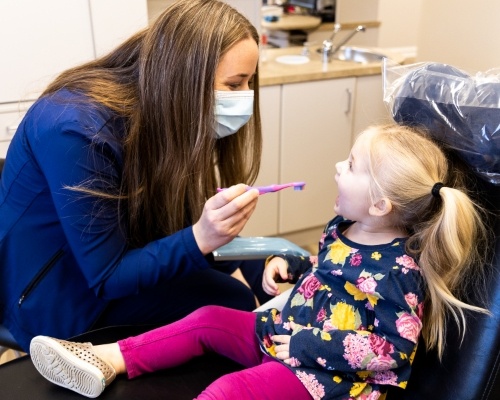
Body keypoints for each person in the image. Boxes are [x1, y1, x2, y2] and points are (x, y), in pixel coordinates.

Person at [30, 123, 490, 399]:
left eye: (350, 166)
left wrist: (310, 346)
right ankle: (103, 360)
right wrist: (294, 274)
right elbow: (333, 280)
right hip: (287, 334)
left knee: (230, 392)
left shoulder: (399, 272)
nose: (336, 167)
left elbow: (394, 350)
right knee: (209, 319)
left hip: (328, 376)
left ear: (379, 205)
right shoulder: (342, 228)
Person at [0, 0, 269, 353]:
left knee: (235, 294)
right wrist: (202, 237)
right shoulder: (75, 130)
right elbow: (109, 276)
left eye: (249, 82)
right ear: (184, 78)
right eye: (234, 85)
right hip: (49, 301)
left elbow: (183, 216)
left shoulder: (166, 111)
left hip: (111, 259)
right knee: (228, 304)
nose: (245, 98)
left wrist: (264, 262)